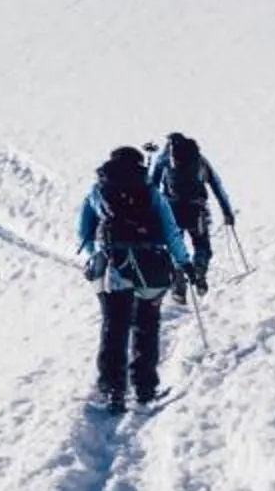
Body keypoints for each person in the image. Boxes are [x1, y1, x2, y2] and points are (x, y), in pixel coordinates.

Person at [77, 144, 193, 411]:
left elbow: (83, 230)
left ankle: (113, 390)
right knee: (147, 325)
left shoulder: (98, 191)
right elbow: (170, 230)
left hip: (113, 267)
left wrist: (95, 253)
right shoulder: (150, 191)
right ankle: (144, 389)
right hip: (148, 266)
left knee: (113, 326)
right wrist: (183, 262)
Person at [150, 131, 234, 290]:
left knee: (175, 247)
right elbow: (217, 186)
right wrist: (227, 212)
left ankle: (178, 277)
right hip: (197, 210)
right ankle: (199, 272)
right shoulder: (200, 160)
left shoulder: (164, 160)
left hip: (171, 211)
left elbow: (152, 187)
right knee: (202, 246)